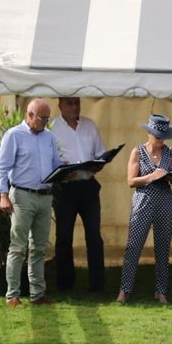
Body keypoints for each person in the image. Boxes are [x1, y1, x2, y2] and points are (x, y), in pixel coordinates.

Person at [0, 99, 62, 307]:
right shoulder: (14, 135)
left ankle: (37, 294)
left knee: (39, 248)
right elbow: (1, 167)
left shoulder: (49, 137)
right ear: (29, 115)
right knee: (18, 246)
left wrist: (68, 170)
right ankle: (12, 295)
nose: (45, 122)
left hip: (45, 195)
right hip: (22, 195)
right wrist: (3, 195)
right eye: (42, 118)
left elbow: (55, 164)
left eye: (47, 119)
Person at [117, 114, 172, 304]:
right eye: (157, 134)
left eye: (163, 135)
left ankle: (161, 291)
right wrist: (151, 176)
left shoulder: (171, 153)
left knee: (163, 247)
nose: (160, 138)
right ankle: (124, 290)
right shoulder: (137, 152)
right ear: (149, 133)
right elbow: (131, 181)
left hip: (165, 200)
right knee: (134, 246)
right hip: (143, 199)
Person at [51, 97, 107, 293]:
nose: (74, 107)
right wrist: (62, 169)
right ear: (60, 105)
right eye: (70, 103)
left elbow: (100, 154)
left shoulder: (90, 125)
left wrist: (97, 164)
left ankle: (97, 284)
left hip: (88, 185)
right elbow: (47, 160)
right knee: (64, 236)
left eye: (76, 102)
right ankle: (65, 283)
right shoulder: (52, 127)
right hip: (65, 188)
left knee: (94, 236)